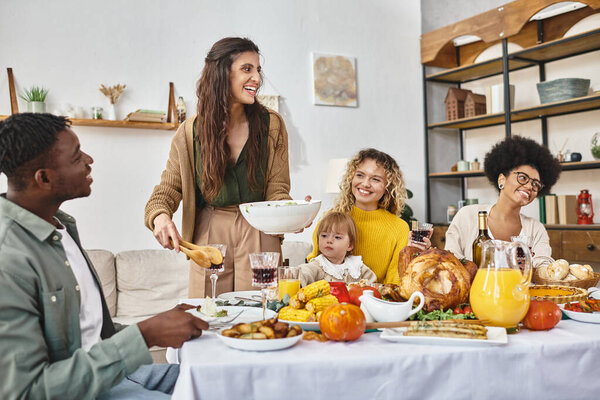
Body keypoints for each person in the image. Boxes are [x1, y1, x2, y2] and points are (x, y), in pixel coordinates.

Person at [0, 113, 208, 399]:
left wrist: (159, 323)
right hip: (81, 392)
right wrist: (146, 334)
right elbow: (27, 391)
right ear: (44, 177)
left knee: (219, 379)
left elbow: (91, 334)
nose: (89, 160)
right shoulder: (8, 257)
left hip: (112, 375)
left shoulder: (60, 227)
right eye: (76, 157)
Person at [145, 37, 295, 298]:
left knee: (260, 315)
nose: (257, 79)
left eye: (258, 70)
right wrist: (159, 216)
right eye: (247, 69)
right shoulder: (189, 132)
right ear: (221, 74)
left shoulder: (272, 125)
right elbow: (168, 189)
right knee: (208, 315)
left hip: (259, 228)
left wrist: (290, 213)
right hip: (210, 233)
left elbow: (278, 189)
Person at [445, 135, 561, 268]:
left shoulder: (536, 229)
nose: (530, 187)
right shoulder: (467, 215)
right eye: (523, 178)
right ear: (502, 180)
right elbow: (450, 260)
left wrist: (531, 266)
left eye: (535, 184)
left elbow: (544, 267)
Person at [307, 148, 410, 284]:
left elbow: (394, 283)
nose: (365, 184)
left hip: (375, 301)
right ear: (351, 178)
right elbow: (314, 266)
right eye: (360, 175)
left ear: (388, 187)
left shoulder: (399, 228)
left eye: (375, 179)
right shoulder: (331, 219)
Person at [298, 212, 376, 286]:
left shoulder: (356, 267)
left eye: (337, 237)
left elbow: (373, 283)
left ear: (350, 245)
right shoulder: (319, 265)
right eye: (324, 236)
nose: (329, 241)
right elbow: (302, 273)